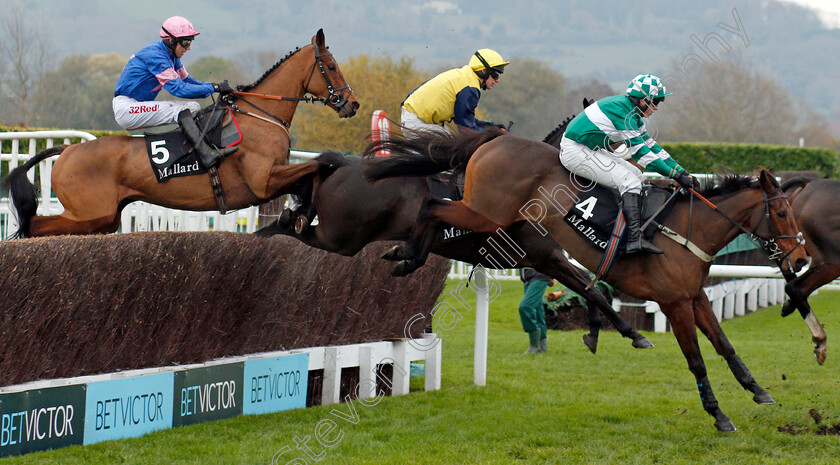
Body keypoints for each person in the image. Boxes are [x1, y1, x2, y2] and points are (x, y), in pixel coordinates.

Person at [559, 74, 699, 255]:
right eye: (656, 102)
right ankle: (634, 239)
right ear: (643, 101)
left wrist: (682, 171)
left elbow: (652, 147)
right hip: (575, 151)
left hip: (588, 148)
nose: (656, 108)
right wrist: (676, 176)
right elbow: (642, 155)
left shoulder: (632, 114)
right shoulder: (623, 113)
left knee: (637, 175)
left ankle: (627, 227)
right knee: (630, 182)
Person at [113, 16, 236, 168]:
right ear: (170, 40)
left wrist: (215, 86)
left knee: (194, 107)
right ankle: (205, 154)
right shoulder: (156, 55)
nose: (188, 47)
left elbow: (187, 81)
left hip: (137, 105)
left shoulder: (171, 56)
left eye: (190, 42)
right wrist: (213, 88)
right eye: (185, 42)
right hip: (126, 109)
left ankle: (201, 148)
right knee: (183, 109)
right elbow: (178, 89)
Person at [400, 49, 509, 139]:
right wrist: (492, 136)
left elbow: (465, 119)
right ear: (483, 71)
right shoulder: (470, 88)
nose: (497, 80)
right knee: (452, 149)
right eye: (495, 75)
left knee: (450, 141)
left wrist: (490, 126)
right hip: (417, 122)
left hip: (414, 118)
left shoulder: (466, 76)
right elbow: (466, 129)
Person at [519, 268, 553, 354]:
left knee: (525, 307)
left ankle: (534, 345)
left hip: (539, 275)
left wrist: (551, 274)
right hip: (528, 277)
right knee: (538, 310)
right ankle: (542, 346)